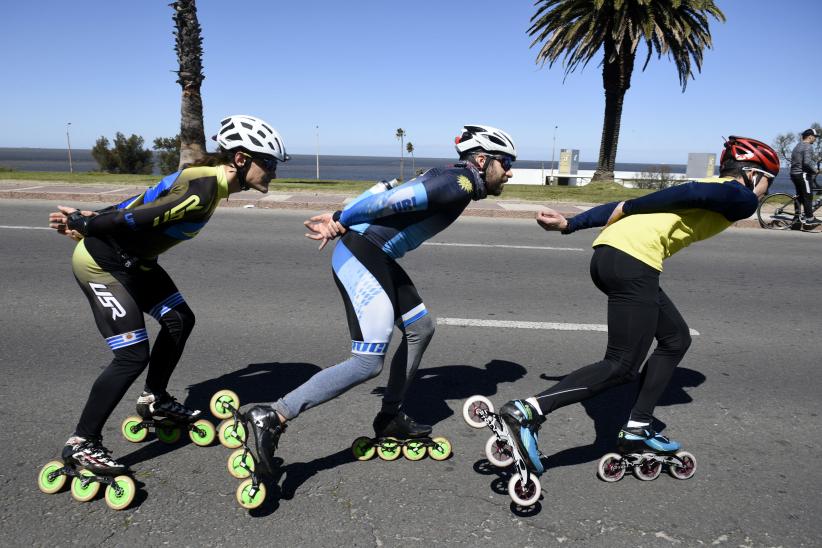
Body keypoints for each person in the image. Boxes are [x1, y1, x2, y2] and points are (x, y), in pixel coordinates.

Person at [240, 125, 517, 475]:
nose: (509, 171)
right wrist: (341, 219)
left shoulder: (454, 179)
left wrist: (343, 215)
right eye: (505, 162)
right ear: (482, 160)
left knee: (421, 327)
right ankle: (273, 414)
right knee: (366, 363)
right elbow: (388, 201)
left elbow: (388, 186)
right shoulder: (457, 183)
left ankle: (389, 417)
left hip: (377, 256)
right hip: (363, 256)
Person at [497, 136, 780, 475]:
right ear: (751, 174)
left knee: (676, 338)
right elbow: (675, 196)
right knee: (621, 366)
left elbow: (625, 203)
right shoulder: (739, 195)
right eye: (768, 180)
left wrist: (570, 223)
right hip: (633, 261)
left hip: (612, 257)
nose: (765, 190)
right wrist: (632, 207)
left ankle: (637, 426)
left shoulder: (712, 186)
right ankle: (528, 411)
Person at [46, 115, 288, 475]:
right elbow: (137, 220)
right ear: (240, 159)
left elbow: (138, 203)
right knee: (131, 355)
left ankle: (155, 399)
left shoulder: (208, 182)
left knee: (179, 319)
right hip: (102, 265)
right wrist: (87, 225)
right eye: (266, 163)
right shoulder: (204, 188)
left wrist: (91, 221)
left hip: (133, 262)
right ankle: (82, 443)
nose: (272, 171)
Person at [789, 128, 820, 228]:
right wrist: (815, 171)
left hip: (794, 174)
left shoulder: (797, 146)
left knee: (799, 196)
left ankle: (797, 217)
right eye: (815, 137)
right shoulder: (808, 146)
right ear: (810, 136)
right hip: (803, 174)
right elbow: (807, 163)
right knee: (808, 196)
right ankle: (809, 218)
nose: (815, 139)